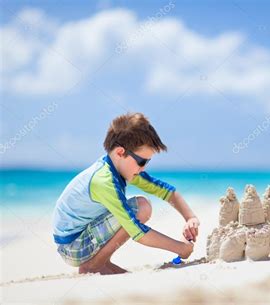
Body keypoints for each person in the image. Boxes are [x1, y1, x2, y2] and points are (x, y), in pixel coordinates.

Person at [52, 112, 199, 274]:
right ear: (120, 152)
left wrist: (190, 217)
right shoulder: (104, 181)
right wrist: (181, 248)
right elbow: (136, 231)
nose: (144, 167)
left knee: (138, 206)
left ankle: (102, 262)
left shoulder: (122, 168)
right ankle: (93, 265)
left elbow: (167, 192)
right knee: (141, 207)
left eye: (147, 162)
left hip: (82, 238)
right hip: (73, 246)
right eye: (142, 161)